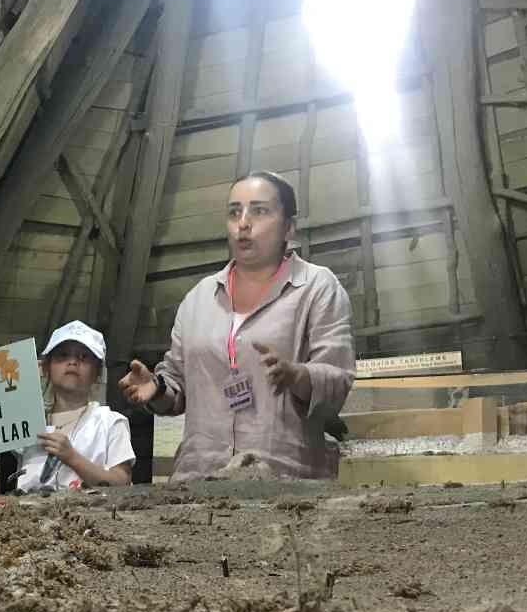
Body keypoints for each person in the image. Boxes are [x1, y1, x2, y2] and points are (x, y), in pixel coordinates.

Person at [118, 171, 355, 480]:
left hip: (285, 480)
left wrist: (297, 376)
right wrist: (156, 388)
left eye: (260, 211)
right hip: (197, 477)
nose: (243, 223)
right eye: (234, 212)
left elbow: (338, 379)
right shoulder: (198, 298)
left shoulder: (317, 287)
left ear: (289, 226)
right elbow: (176, 389)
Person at [13, 320, 134, 492]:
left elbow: (122, 481)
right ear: (46, 367)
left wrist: (72, 457)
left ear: (98, 372)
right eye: (62, 355)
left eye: (83, 357)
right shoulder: (28, 424)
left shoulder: (110, 423)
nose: (72, 362)